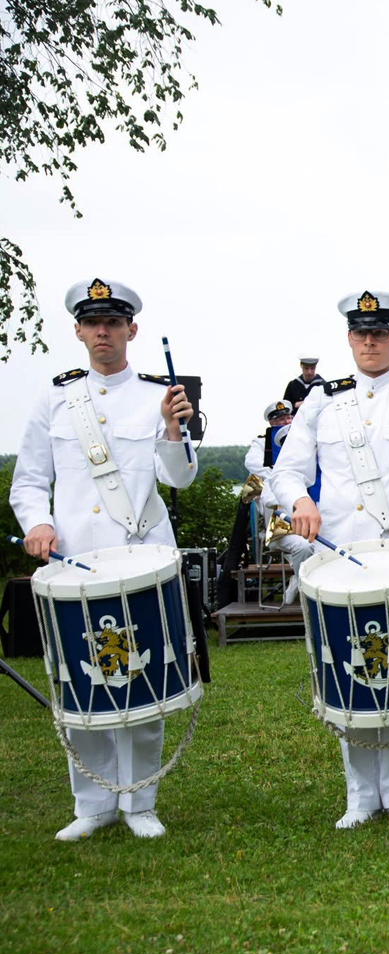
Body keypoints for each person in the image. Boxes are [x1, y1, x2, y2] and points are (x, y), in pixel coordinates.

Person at [271, 289, 389, 827]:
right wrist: (300, 500)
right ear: (349, 338)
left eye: (380, 332)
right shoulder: (322, 400)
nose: (371, 341)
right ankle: (359, 795)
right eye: (361, 332)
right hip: (342, 556)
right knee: (350, 670)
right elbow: (286, 471)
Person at [10, 277, 196, 841]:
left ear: (130, 330)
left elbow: (180, 478)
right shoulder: (55, 399)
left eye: (113, 323)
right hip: (75, 562)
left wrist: (173, 429)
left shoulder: (158, 396)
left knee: (142, 682)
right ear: (78, 331)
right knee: (81, 684)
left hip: (139, 559)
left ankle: (140, 804)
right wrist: (37, 523)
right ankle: (91, 806)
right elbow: (29, 479)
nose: (103, 332)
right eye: (93, 323)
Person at [242, 400, 315, 604]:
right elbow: (253, 464)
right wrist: (282, 476)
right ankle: (304, 589)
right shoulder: (262, 445)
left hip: (311, 522)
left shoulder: (305, 442)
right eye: (281, 419)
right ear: (272, 422)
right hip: (280, 526)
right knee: (305, 547)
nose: (287, 421)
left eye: (289, 417)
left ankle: (300, 580)